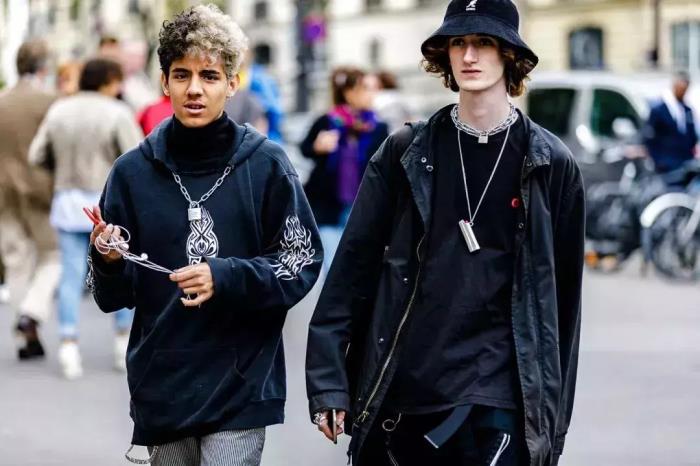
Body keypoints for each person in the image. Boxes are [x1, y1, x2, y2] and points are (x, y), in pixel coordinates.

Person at [305, 1, 585, 465]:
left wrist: (551, 424)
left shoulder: (550, 163)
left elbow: (564, 307)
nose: (469, 55)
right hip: (407, 390)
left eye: (484, 42)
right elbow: (352, 268)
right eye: (459, 43)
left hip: (501, 397)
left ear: (510, 55)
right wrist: (329, 383)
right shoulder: (406, 152)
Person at [86, 5, 321, 465]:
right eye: (182, 75)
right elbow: (111, 297)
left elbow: (301, 261)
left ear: (232, 84)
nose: (194, 89)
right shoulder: (131, 172)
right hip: (163, 380)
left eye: (210, 76)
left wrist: (226, 276)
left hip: (242, 380)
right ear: (164, 82)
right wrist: (108, 260)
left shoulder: (266, 164)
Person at [29, 57, 142, 379]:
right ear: (108, 81)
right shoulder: (117, 112)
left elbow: (37, 154)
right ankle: (121, 340)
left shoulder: (60, 110)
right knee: (120, 266)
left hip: (68, 200)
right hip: (108, 203)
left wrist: (60, 168)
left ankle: (68, 344)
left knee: (70, 274)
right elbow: (135, 156)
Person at [0, 39, 61, 360]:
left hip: (3, 192)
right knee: (54, 256)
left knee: (16, 261)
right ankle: (32, 311)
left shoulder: (2, 101)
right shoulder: (51, 102)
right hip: (41, 191)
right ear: (44, 67)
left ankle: (26, 338)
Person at [300, 66, 389, 273]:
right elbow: (305, 149)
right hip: (328, 205)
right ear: (349, 92)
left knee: (358, 268)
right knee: (332, 267)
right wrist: (317, 147)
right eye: (366, 88)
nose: (372, 94)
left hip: (362, 206)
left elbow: (385, 165)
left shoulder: (378, 127)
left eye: (374, 88)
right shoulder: (327, 121)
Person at [643, 70, 699, 185]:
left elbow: (692, 136)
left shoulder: (687, 110)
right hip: (666, 164)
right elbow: (649, 138)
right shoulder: (659, 110)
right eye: (681, 88)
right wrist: (658, 161)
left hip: (685, 163)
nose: (684, 92)